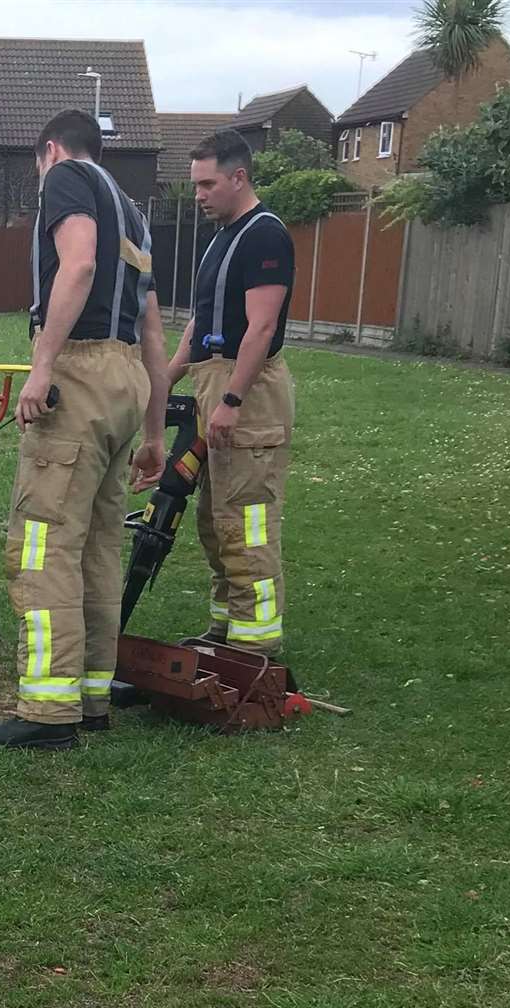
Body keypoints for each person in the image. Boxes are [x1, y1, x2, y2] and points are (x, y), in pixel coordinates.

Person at [0, 109, 173, 751]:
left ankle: (47, 710)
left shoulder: (66, 179)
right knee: (97, 548)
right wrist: (152, 433)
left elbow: (78, 263)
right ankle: (90, 696)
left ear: (51, 150)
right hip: (126, 381)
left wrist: (41, 367)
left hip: (80, 373)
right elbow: (151, 330)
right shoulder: (135, 213)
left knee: (43, 542)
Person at [152, 130, 296, 656]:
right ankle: (224, 631)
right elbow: (201, 320)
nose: (199, 195)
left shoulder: (264, 236)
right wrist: (167, 376)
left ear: (239, 177)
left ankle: (254, 646)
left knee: (246, 519)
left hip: (248, 393)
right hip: (212, 380)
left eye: (208, 183)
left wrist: (233, 402)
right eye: (195, 185)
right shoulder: (222, 236)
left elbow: (260, 329)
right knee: (216, 521)